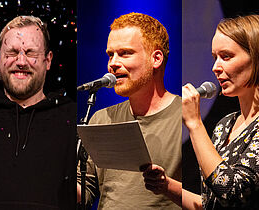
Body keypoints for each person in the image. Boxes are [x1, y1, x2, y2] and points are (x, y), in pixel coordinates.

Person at [143, 14, 259, 209]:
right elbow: (211, 203)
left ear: (257, 57)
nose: (215, 67)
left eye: (226, 57)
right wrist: (165, 185)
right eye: (214, 57)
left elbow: (232, 192)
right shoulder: (225, 124)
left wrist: (194, 123)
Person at [77, 12, 182, 209]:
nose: (113, 63)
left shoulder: (187, 116)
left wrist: (166, 185)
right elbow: (87, 188)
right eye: (110, 54)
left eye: (125, 53)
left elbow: (206, 198)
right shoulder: (102, 118)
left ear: (156, 59)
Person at [0, 16, 76, 209]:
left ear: (48, 60)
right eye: (12, 52)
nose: (21, 61)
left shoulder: (73, 118)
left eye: (30, 53)